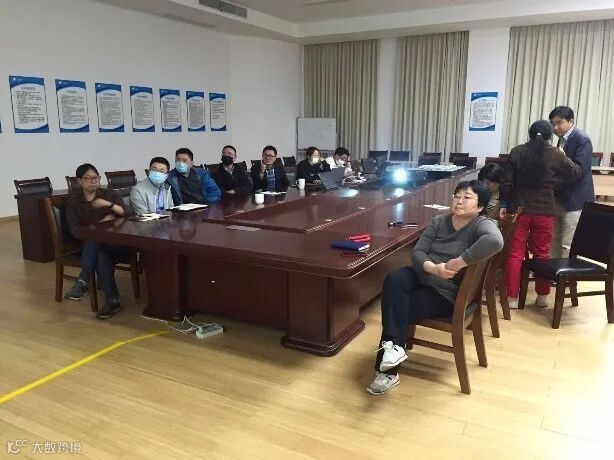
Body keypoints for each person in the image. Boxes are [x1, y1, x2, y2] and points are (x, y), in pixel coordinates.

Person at [367, 180, 503, 395]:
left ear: (480, 206)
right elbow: (418, 252)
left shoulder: (481, 225)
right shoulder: (439, 221)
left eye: (467, 197)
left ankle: (388, 372)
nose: (459, 201)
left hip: (445, 292)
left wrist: (459, 262)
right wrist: (434, 268)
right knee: (394, 279)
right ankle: (394, 349)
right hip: (425, 274)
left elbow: (495, 241)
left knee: (398, 307)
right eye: (457, 196)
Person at [500, 120, 582, 309]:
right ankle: (542, 296)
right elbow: (575, 173)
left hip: (519, 209)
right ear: (549, 136)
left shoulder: (517, 151)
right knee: (542, 253)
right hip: (545, 210)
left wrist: (504, 204)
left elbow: (506, 182)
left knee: (515, 254)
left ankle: (512, 298)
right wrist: (555, 177)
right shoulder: (555, 153)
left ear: (530, 134)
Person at [64, 163, 132, 320]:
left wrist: (110, 206)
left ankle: (83, 280)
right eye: (88, 178)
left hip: (118, 244)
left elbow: (128, 214)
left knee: (95, 237)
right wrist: (100, 226)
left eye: (96, 178)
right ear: (79, 180)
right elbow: (74, 230)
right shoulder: (73, 202)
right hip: (93, 247)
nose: (93, 181)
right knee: (100, 253)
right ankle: (112, 301)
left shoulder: (109, 194)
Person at [549, 106, 595, 258]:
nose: (555, 128)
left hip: (575, 199)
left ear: (570, 121)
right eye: (553, 124)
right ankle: (553, 271)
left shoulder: (582, 139)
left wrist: (553, 184)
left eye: (559, 123)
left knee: (568, 244)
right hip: (560, 199)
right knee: (554, 240)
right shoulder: (562, 139)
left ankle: (566, 273)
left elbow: (579, 171)